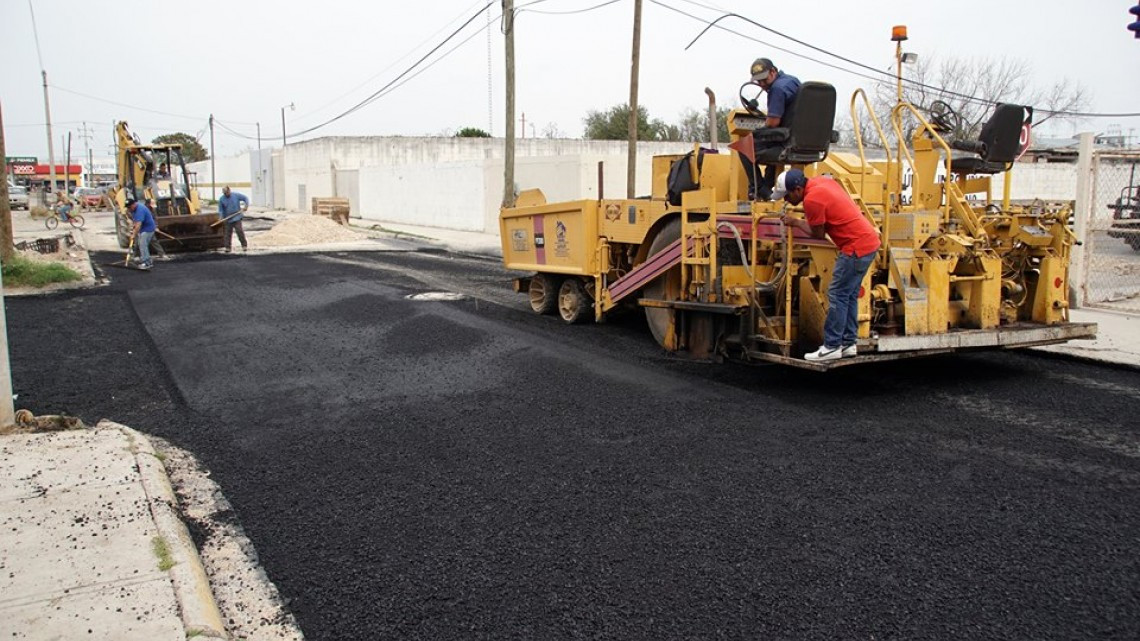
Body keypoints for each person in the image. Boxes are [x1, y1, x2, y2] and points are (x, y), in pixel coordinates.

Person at [775, 169, 881, 361]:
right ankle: (849, 343)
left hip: (855, 247)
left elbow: (817, 234)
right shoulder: (822, 183)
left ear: (798, 189)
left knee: (837, 294)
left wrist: (796, 222)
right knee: (848, 295)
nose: (787, 201)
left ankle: (832, 346)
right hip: (869, 243)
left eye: (787, 195)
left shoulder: (812, 200)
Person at [742, 57, 801, 200]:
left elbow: (773, 122)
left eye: (764, 80)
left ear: (773, 71)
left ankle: (758, 188)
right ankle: (767, 189)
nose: (762, 84)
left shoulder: (777, 89)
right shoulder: (793, 81)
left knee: (744, 146)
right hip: (801, 139)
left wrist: (760, 128)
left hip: (787, 142)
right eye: (759, 81)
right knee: (768, 145)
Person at [217, 186, 250, 253]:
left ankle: (244, 246)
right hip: (228, 219)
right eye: (224, 193)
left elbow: (245, 198)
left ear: (229, 190)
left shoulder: (236, 195)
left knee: (239, 231)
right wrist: (221, 217)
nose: (226, 194)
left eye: (227, 192)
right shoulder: (221, 199)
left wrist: (246, 206)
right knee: (227, 234)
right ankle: (228, 247)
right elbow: (221, 210)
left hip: (237, 217)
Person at [127, 199, 157, 270]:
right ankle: (146, 259)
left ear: (134, 204)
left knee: (143, 244)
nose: (129, 209)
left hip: (148, 229)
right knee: (140, 244)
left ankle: (147, 263)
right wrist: (133, 229)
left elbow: (138, 224)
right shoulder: (133, 209)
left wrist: (134, 234)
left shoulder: (140, 210)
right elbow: (135, 222)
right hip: (143, 229)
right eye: (128, 207)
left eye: (130, 207)